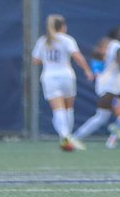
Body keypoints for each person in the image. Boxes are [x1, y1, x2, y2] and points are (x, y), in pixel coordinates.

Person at [31, 14, 94, 151]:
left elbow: (35, 60)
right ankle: (67, 136)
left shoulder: (43, 41)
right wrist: (87, 70)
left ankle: (64, 136)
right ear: (63, 27)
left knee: (57, 109)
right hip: (66, 75)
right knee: (68, 107)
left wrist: (48, 60)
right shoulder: (67, 40)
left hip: (49, 77)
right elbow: (77, 56)